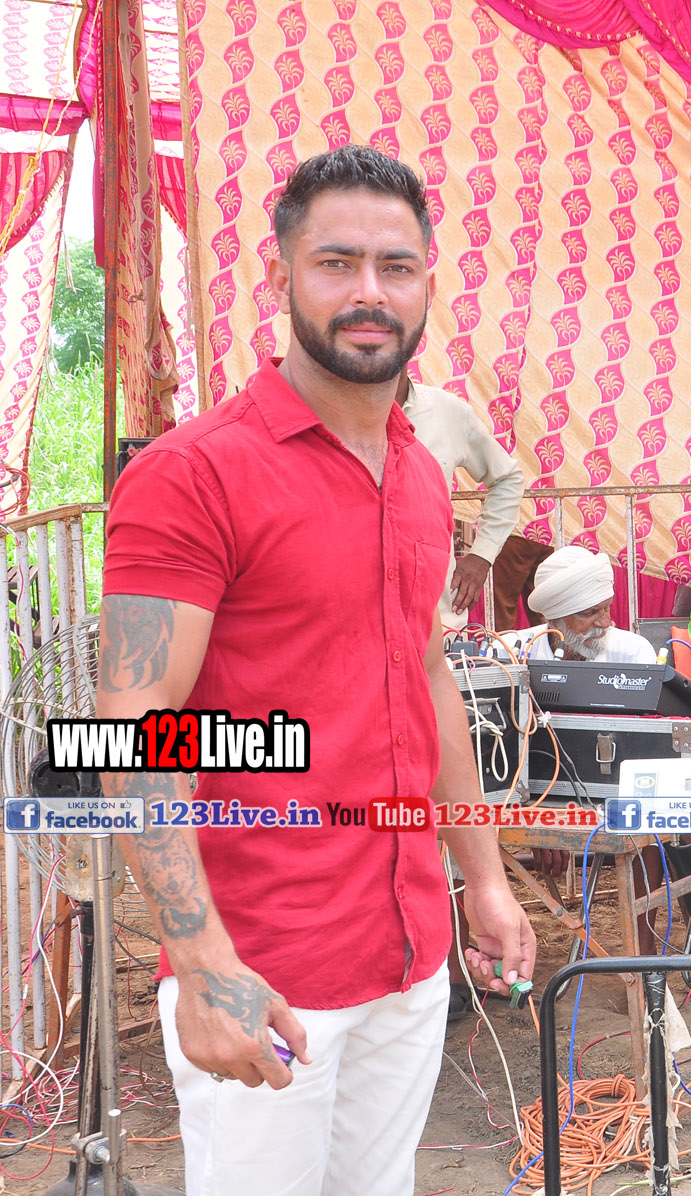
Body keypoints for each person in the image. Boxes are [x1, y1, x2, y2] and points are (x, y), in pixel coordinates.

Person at [98, 145, 537, 1196]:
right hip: (266, 966)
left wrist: (480, 878)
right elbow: (132, 720)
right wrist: (201, 960)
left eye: (395, 266)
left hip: (408, 951)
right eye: (336, 262)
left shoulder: (421, 474)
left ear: (427, 282)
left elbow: (430, 677)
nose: (368, 292)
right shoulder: (193, 474)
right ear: (282, 273)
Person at [398, 374, 525, 631]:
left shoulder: (446, 412)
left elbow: (507, 479)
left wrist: (482, 555)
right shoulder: (330, 413)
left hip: (438, 620)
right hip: (353, 628)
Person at [502, 544, 657, 662]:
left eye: (606, 607)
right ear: (554, 620)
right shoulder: (507, 652)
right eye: (589, 613)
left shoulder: (633, 653)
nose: (605, 623)